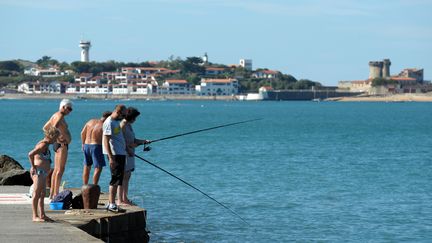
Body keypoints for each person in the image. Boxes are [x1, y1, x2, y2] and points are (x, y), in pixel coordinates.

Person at [118, 107, 149, 206]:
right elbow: (120, 140)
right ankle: (120, 200)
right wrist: (128, 150)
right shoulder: (122, 124)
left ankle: (124, 197)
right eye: (135, 118)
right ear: (130, 117)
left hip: (130, 153)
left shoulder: (129, 125)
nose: (135, 120)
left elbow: (133, 139)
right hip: (124, 153)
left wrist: (143, 141)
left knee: (127, 176)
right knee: (122, 177)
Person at [28, 126, 60, 222]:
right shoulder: (42, 145)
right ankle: (35, 216)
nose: (56, 140)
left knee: (42, 194)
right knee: (36, 194)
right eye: (55, 138)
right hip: (38, 172)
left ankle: (42, 214)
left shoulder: (46, 145)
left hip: (43, 172)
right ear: (51, 136)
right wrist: (33, 166)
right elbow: (30, 154)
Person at [43, 99, 73, 199]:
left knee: (56, 169)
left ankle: (53, 193)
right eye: (69, 108)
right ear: (63, 107)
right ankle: (55, 193)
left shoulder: (54, 115)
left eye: (71, 109)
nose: (70, 111)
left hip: (58, 144)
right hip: (62, 144)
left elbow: (45, 127)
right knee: (60, 170)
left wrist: (53, 138)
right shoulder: (59, 116)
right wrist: (60, 137)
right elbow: (54, 128)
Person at [102, 104, 127, 213]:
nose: (124, 117)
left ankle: (113, 203)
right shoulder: (109, 122)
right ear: (118, 112)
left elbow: (117, 137)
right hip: (115, 154)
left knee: (118, 179)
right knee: (115, 179)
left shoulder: (116, 121)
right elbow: (105, 141)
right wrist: (111, 158)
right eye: (123, 114)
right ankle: (111, 204)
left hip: (120, 153)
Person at [81, 111, 112, 185]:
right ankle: (94, 187)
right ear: (108, 118)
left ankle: (85, 186)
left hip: (86, 145)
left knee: (87, 166)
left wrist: (83, 144)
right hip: (96, 146)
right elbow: (107, 140)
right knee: (98, 168)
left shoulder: (90, 121)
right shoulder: (104, 125)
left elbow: (82, 133)